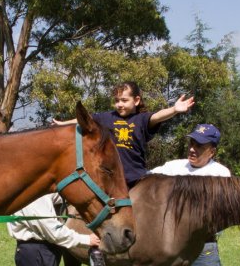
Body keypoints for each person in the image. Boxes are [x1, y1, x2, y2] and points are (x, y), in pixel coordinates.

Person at [54, 81, 195, 189]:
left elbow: (157, 116)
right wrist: (63, 124)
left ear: (137, 100)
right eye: (117, 100)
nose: (119, 104)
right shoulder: (106, 117)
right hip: (111, 180)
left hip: (136, 179)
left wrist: (174, 109)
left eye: (124, 100)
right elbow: (85, 119)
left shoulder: (142, 119)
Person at [150, 123, 230, 266]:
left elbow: (218, 214)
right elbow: (146, 181)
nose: (193, 149)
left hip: (204, 248)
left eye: (199, 146)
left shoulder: (220, 174)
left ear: (212, 152)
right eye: (192, 143)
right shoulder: (172, 167)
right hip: (175, 249)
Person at [7, 193, 101, 266]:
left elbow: (54, 196)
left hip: (40, 251)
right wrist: (86, 239)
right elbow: (53, 231)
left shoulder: (37, 192)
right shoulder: (32, 198)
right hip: (38, 253)